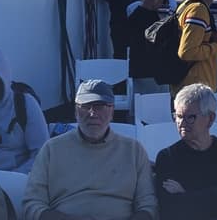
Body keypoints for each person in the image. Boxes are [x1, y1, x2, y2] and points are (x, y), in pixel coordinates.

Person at [25, 82, 154, 220]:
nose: (92, 113)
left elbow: (148, 205)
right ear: (75, 111)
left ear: (112, 111)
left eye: (100, 106)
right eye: (86, 106)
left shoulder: (134, 151)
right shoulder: (51, 149)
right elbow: (32, 204)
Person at [149, 84, 217, 220]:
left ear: (210, 119)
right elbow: (171, 210)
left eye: (190, 117)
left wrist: (186, 195)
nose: (182, 123)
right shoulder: (168, 157)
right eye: (178, 116)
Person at [171, 0, 217, 90]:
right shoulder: (198, 11)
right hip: (195, 90)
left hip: (188, 87)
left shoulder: (185, 5)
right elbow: (187, 52)